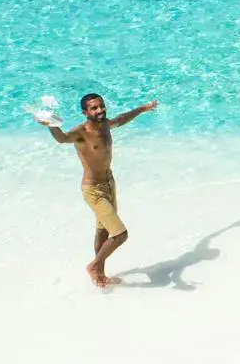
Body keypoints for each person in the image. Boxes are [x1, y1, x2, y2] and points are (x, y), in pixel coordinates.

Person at [38, 93, 159, 287]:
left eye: (101, 106)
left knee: (103, 231)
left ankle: (100, 275)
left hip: (109, 184)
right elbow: (62, 138)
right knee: (120, 234)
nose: (100, 110)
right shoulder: (81, 131)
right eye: (94, 108)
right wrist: (51, 124)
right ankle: (94, 266)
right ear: (85, 112)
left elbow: (122, 119)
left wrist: (142, 109)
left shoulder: (105, 125)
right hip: (93, 189)